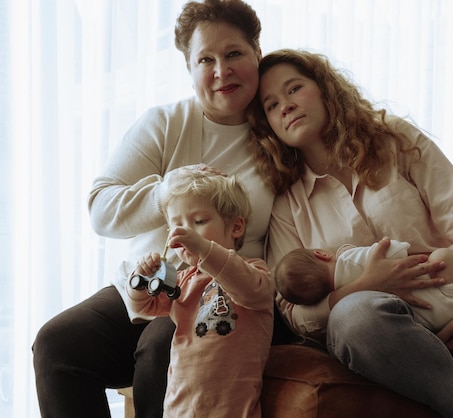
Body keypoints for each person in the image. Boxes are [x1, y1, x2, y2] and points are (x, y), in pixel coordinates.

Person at [247, 48, 453, 417]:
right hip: (382, 333)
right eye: (271, 105)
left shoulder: (395, 141)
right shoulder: (287, 206)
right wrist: (365, 285)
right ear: (269, 126)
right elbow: (293, 311)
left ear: (325, 88)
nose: (285, 105)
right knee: (355, 316)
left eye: (294, 88)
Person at [32, 1, 282, 417]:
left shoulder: (278, 133)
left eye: (234, 53)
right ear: (189, 68)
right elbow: (101, 208)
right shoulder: (166, 123)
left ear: (257, 52)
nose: (222, 70)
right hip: (153, 280)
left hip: (221, 292)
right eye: (206, 59)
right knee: (58, 343)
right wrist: (173, 190)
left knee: (162, 344)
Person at [124, 167, 274, 418]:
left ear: (236, 227)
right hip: (179, 406)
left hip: (232, 410)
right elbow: (144, 306)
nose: (186, 233)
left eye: (199, 222)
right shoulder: (182, 280)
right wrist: (139, 280)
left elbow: (251, 289)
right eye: (177, 225)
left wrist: (204, 249)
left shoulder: (253, 271)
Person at [274, 241, 453, 332]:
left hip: (424, 322)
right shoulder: (350, 258)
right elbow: (397, 250)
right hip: (447, 296)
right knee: (444, 256)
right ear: (321, 254)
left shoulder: (332, 295)